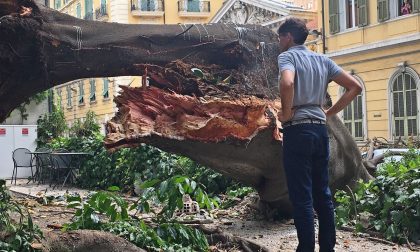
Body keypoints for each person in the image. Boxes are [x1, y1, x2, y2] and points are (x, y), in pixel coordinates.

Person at [277, 18, 362, 252]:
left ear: (289, 37)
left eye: (280, 37)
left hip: (298, 130)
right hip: (319, 130)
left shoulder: (288, 57)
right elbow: (355, 87)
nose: (279, 42)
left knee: (302, 195)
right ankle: (328, 248)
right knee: (322, 194)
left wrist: (286, 113)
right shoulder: (323, 60)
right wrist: (328, 112)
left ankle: (305, 249)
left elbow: (287, 82)